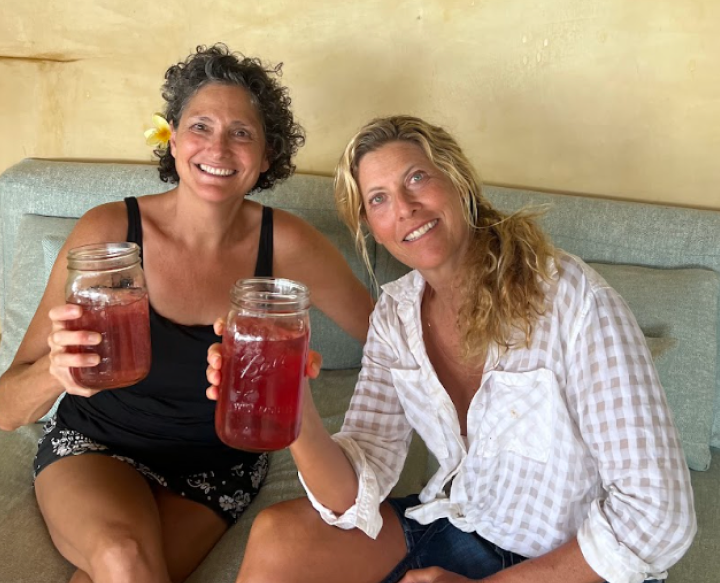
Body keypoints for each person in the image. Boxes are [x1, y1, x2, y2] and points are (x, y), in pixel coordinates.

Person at [207, 115, 696, 583]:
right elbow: (355, 489)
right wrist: (293, 404)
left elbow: (659, 513)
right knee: (278, 536)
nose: (403, 207)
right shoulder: (396, 315)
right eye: (378, 199)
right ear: (370, 228)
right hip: (465, 522)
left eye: (416, 178)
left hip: (574, 562)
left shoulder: (573, 301)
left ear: (458, 180)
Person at [0, 44, 373, 583]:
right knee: (123, 557)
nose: (218, 146)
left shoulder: (288, 244)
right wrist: (54, 373)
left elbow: (391, 337)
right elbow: (9, 410)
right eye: (201, 125)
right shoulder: (107, 234)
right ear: (172, 140)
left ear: (267, 157)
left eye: (242, 133)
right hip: (98, 446)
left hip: (218, 465)